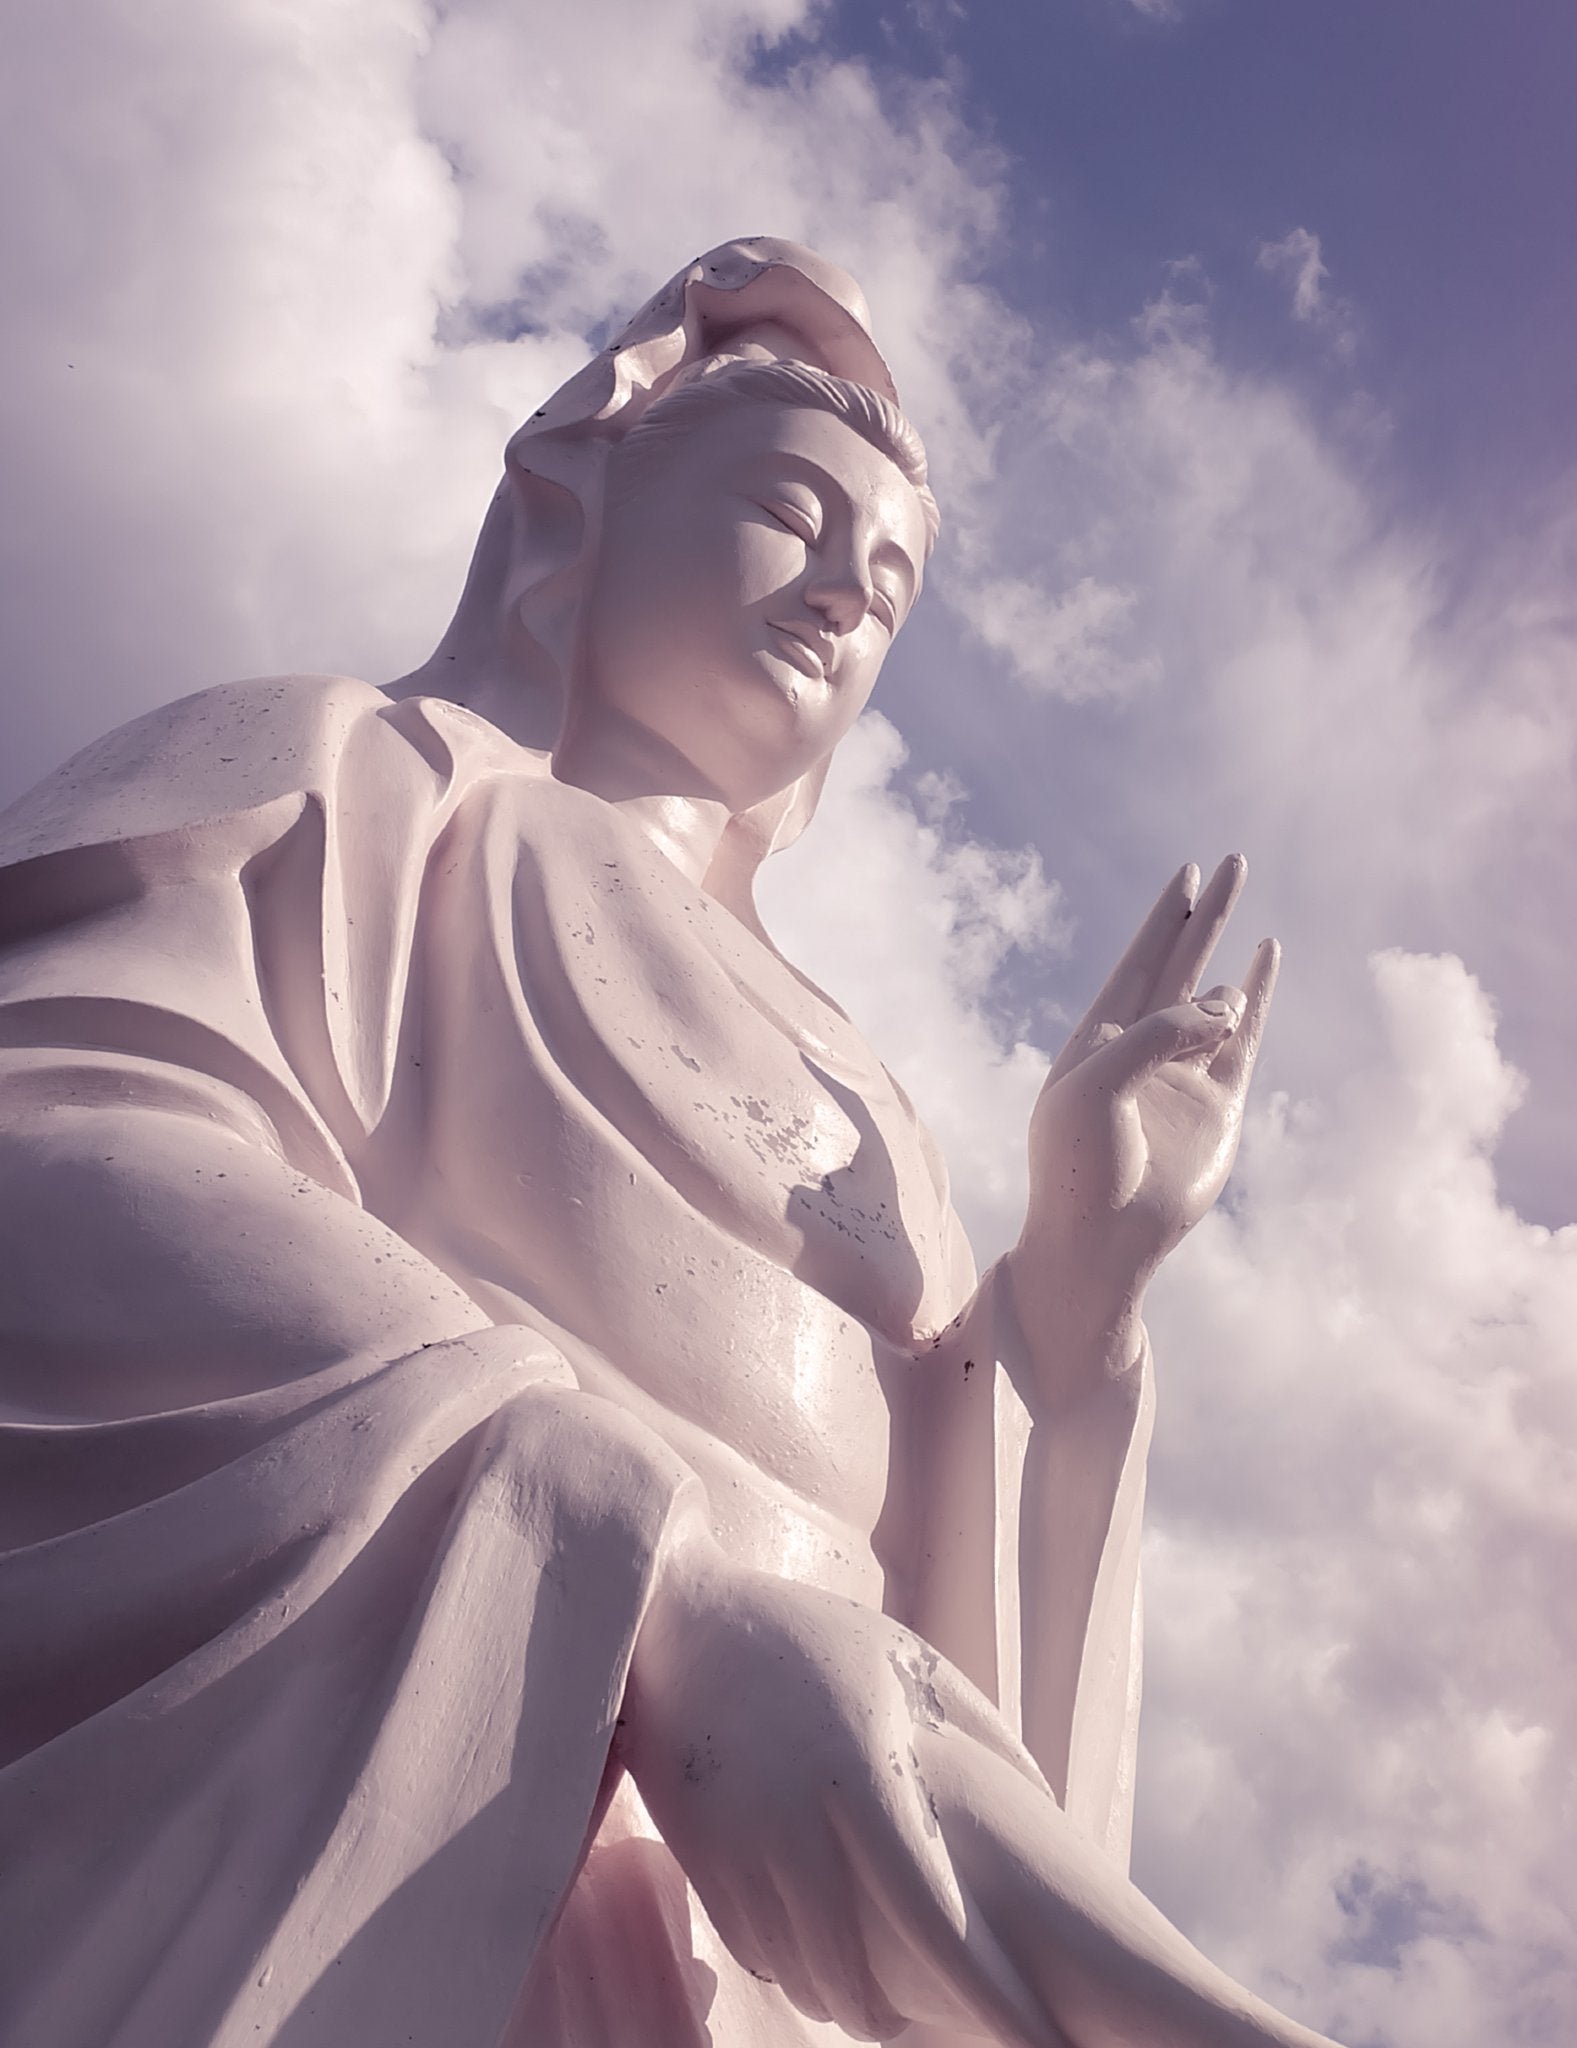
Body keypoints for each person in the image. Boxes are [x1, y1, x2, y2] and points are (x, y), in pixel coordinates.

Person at [0, 239, 1305, 2048]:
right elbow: (63, 1154)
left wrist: (1076, 1303)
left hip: (762, 1951)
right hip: (444, 1818)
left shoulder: (870, 1098)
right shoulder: (358, 778)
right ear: (587, 509)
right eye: (791, 510)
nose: (846, 592)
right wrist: (633, 1583)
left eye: (895, 584)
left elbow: (942, 1627)